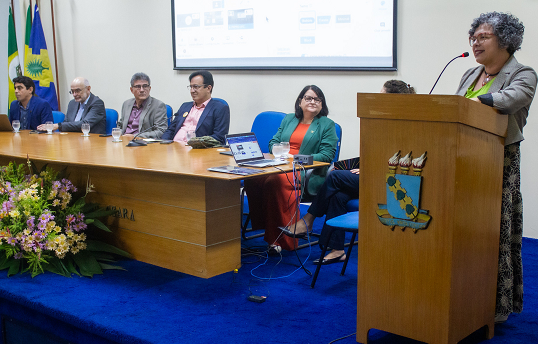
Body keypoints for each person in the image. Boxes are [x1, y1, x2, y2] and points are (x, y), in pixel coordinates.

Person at [455, 12, 537, 323]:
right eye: (473, 37)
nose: (475, 42)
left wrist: (478, 102)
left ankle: (495, 306)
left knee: (494, 230)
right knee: (465, 229)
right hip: (462, 159)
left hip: (498, 161)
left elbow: (511, 99)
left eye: (482, 37)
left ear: (505, 40)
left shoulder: (523, 73)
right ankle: (464, 294)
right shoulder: (468, 74)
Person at [281, 80, 416, 264]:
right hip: (372, 172)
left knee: (334, 177)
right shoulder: (382, 120)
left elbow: (402, 158)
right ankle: (337, 249)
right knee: (338, 195)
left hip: (390, 180)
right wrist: (367, 164)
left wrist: (372, 168)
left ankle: (308, 219)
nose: (376, 98)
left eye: (381, 94)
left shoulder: (405, 124)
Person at [244, 85, 338, 253]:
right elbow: (273, 141)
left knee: (275, 181)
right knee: (254, 177)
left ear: (322, 104)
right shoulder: (289, 119)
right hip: (279, 163)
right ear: (300, 101)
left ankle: (279, 240)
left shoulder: (327, 125)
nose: (312, 102)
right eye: (308, 98)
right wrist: (277, 152)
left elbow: (326, 156)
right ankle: (264, 225)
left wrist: (295, 159)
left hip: (306, 171)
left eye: (317, 99)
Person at [161, 70, 229, 144]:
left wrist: (195, 144)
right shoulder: (185, 106)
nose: (192, 91)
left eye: (196, 87)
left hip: (197, 150)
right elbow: (171, 130)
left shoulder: (220, 108)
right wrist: (163, 144)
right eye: (191, 87)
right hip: (174, 148)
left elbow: (219, 137)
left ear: (208, 88)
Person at [38, 77, 106, 134]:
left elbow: (85, 125)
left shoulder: (97, 103)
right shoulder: (72, 103)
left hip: (92, 142)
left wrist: (58, 126)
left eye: (77, 91)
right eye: (72, 91)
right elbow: (66, 123)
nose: (74, 94)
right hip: (73, 140)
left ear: (88, 89)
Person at [118, 73, 167, 139]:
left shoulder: (158, 105)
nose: (142, 90)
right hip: (123, 141)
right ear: (131, 90)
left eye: (145, 86)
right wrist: (119, 134)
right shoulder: (126, 104)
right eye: (138, 87)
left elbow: (161, 131)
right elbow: (120, 126)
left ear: (149, 89)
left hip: (142, 143)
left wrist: (134, 136)